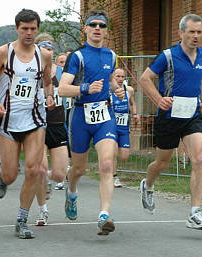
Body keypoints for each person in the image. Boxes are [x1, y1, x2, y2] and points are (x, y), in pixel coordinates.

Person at [0, 9, 54, 239]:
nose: (29, 33)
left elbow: (47, 81)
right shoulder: (5, 52)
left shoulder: (44, 55)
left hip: (35, 118)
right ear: (17, 29)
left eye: (33, 28)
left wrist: (50, 96)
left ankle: (22, 220)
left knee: (33, 169)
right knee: (12, 174)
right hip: (9, 120)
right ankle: (3, 178)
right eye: (25, 29)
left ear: (38, 29)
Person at [138, 14, 202, 230]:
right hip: (169, 117)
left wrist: (201, 103)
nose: (196, 36)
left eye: (199, 32)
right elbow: (145, 78)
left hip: (191, 116)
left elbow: (192, 85)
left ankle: (194, 212)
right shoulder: (168, 56)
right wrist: (159, 100)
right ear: (181, 33)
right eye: (192, 32)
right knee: (162, 162)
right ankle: (148, 185)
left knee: (198, 159)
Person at [58, 10, 124, 236]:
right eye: (93, 24)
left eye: (102, 25)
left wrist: (117, 89)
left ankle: (104, 215)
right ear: (85, 29)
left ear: (106, 31)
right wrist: (85, 88)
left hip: (104, 115)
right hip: (80, 116)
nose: (97, 28)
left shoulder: (111, 55)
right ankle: (72, 192)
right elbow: (62, 89)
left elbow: (108, 81)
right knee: (79, 168)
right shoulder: (77, 56)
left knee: (107, 165)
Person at [34, 33, 68, 226]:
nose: (48, 50)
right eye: (44, 46)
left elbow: (74, 87)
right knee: (40, 168)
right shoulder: (32, 71)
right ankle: (42, 210)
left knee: (59, 174)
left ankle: (45, 179)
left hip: (57, 124)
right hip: (37, 124)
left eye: (50, 47)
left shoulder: (62, 72)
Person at [111, 68, 140, 188]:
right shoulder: (109, 91)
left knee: (124, 155)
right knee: (112, 153)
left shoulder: (129, 90)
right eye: (118, 76)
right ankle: (113, 176)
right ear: (113, 77)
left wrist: (135, 114)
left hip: (123, 126)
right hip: (111, 126)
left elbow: (132, 103)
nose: (120, 79)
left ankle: (108, 170)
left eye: (122, 77)